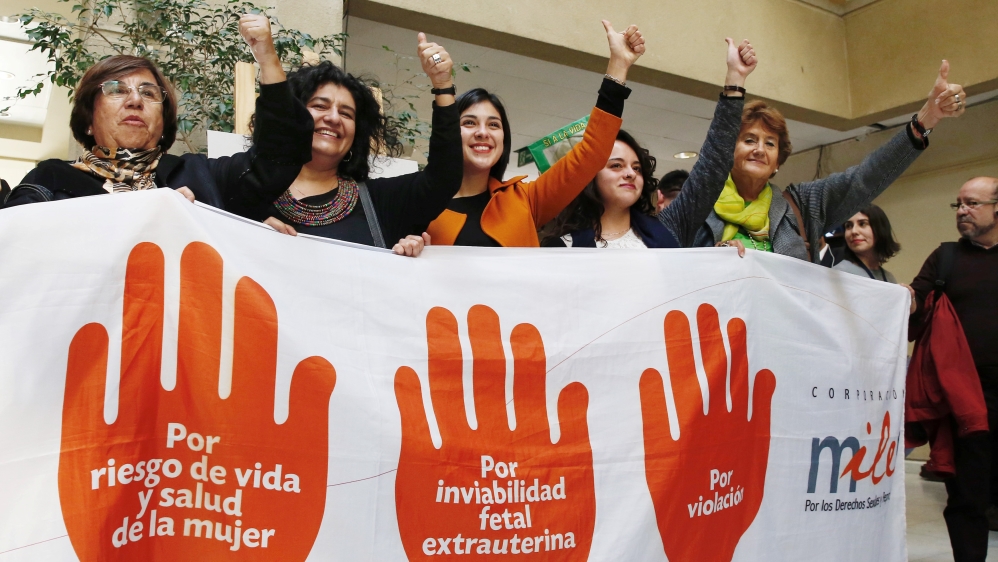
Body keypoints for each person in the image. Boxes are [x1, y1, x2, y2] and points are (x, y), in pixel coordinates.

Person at [2, 14, 311, 221]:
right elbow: (19, 248)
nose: (135, 100)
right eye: (116, 90)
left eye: (149, 93)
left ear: (163, 122)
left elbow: (280, 155)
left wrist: (267, 59)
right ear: (88, 119)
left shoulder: (203, 177)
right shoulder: (50, 180)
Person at [691, 61, 966, 261]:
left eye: (770, 143)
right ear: (728, 152)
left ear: (777, 162)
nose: (760, 149)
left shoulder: (801, 205)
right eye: (749, 140)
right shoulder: (697, 203)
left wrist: (925, 120)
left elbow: (865, 178)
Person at [424, 20, 643, 247]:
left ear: (503, 139)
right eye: (469, 123)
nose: (482, 132)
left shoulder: (525, 200)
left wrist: (618, 65)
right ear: (449, 131)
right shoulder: (419, 202)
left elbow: (593, 151)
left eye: (493, 125)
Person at [541, 38, 757, 250]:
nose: (630, 174)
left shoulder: (669, 228)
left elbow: (713, 166)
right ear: (589, 177)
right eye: (616, 165)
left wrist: (735, 83)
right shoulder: (563, 248)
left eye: (636, 168)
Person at [261, 33, 461, 257]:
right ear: (291, 115)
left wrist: (443, 84)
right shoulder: (245, 190)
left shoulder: (379, 202)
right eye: (320, 106)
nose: (334, 118)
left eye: (346, 113)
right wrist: (249, 230)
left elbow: (444, 177)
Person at [909, 177, 998, 562]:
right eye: (958, 204)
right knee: (967, 497)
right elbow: (913, 306)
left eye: (972, 203)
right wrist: (897, 298)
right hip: (965, 400)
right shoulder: (945, 258)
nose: (962, 210)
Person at [833, 205, 916, 312]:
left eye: (862, 224)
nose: (853, 231)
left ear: (880, 229)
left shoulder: (889, 277)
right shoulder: (839, 273)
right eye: (848, 226)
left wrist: (910, 301)